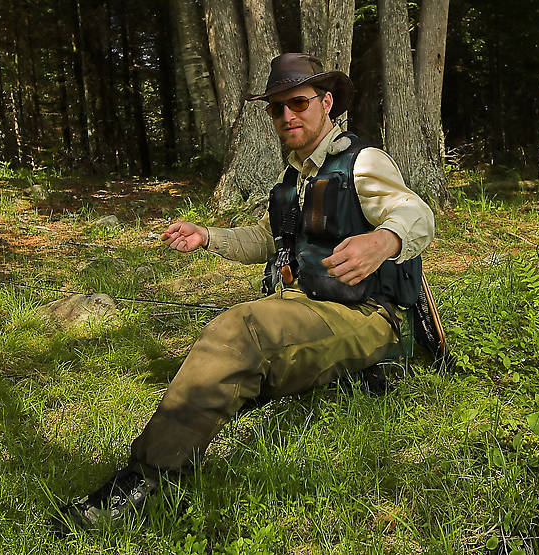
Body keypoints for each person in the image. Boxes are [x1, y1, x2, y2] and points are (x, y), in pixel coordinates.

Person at [53, 52, 435, 531]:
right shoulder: (293, 176)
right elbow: (269, 237)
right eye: (277, 108)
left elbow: (417, 213)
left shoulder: (364, 162)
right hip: (309, 304)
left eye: (298, 102)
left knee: (238, 331)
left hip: (366, 315)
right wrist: (208, 236)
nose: (287, 116)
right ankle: (179, 445)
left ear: (327, 102)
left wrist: (384, 239)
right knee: (230, 343)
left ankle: (146, 482)